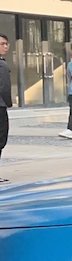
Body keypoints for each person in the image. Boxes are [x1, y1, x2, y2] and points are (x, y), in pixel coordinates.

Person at [0, 33, 11, 179]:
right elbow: (4, 88)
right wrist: (8, 103)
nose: (5, 47)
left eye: (6, 43)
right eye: (2, 44)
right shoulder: (2, 65)